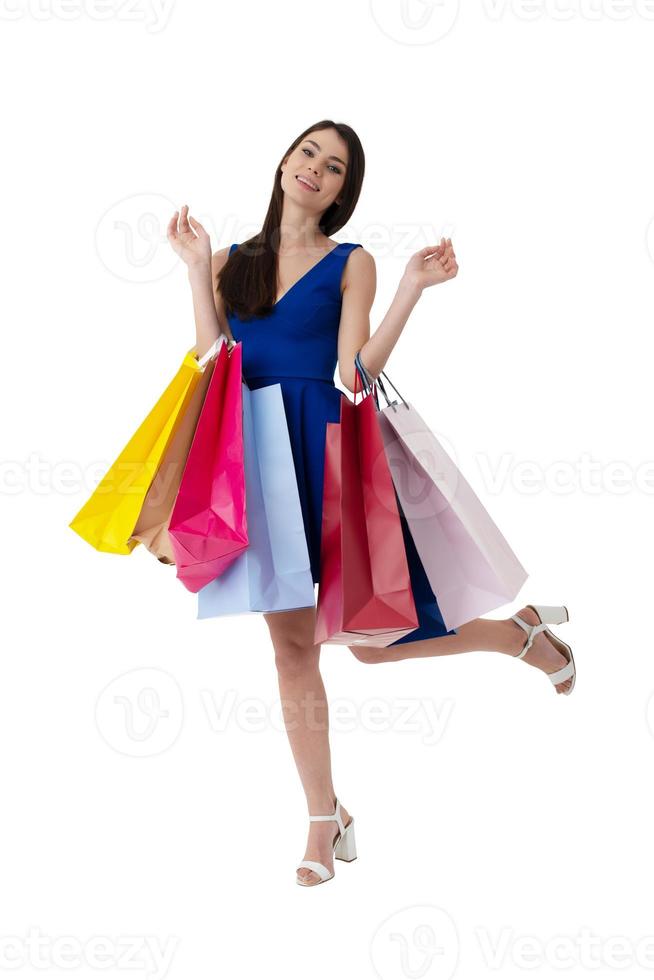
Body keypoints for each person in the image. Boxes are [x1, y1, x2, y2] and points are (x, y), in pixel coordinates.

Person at [166, 119, 576, 888]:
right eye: (308, 153)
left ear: (343, 191)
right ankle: (325, 820)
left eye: (334, 166)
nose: (315, 169)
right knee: (291, 651)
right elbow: (209, 361)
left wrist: (413, 291)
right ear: (285, 162)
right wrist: (194, 271)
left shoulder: (352, 263)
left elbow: (355, 373)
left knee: (364, 640)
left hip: (328, 457)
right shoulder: (228, 264)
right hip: (256, 462)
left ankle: (507, 638)